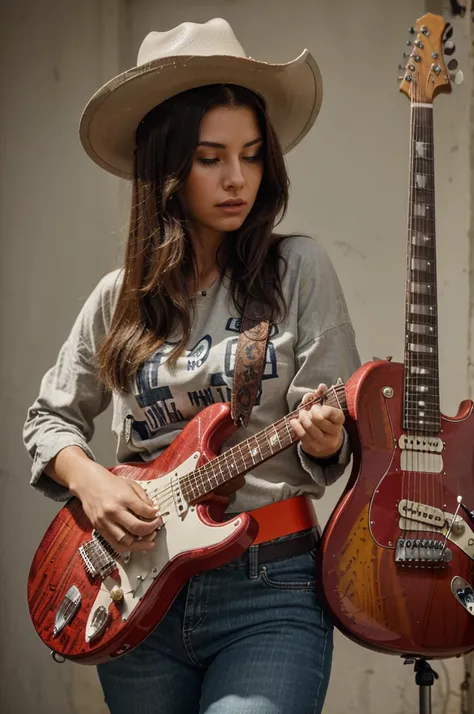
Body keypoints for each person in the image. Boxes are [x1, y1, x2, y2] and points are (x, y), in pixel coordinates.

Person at [23, 17, 361, 714]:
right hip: (134, 591)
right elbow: (48, 418)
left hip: (271, 587)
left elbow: (339, 426)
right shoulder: (118, 299)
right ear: (167, 168)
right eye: (211, 157)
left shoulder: (298, 268)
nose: (238, 178)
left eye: (252, 155)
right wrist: (89, 482)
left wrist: (331, 436)